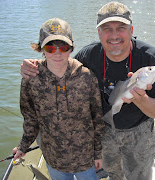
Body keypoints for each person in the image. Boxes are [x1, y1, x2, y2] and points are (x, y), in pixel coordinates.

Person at [20, 2, 155, 180]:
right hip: (104, 131)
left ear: (132, 30)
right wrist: (33, 67)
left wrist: (140, 98)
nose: (114, 35)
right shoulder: (87, 56)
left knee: (140, 176)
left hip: (139, 132)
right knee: (114, 173)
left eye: (121, 28)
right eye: (107, 28)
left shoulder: (151, 58)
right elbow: (59, 64)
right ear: (98, 32)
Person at [13, 17, 105, 180]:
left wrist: (98, 153)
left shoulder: (87, 77)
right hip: (53, 160)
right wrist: (23, 146)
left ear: (70, 48)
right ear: (41, 49)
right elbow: (30, 119)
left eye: (63, 47)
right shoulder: (30, 79)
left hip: (85, 159)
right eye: (50, 47)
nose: (57, 53)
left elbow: (97, 119)